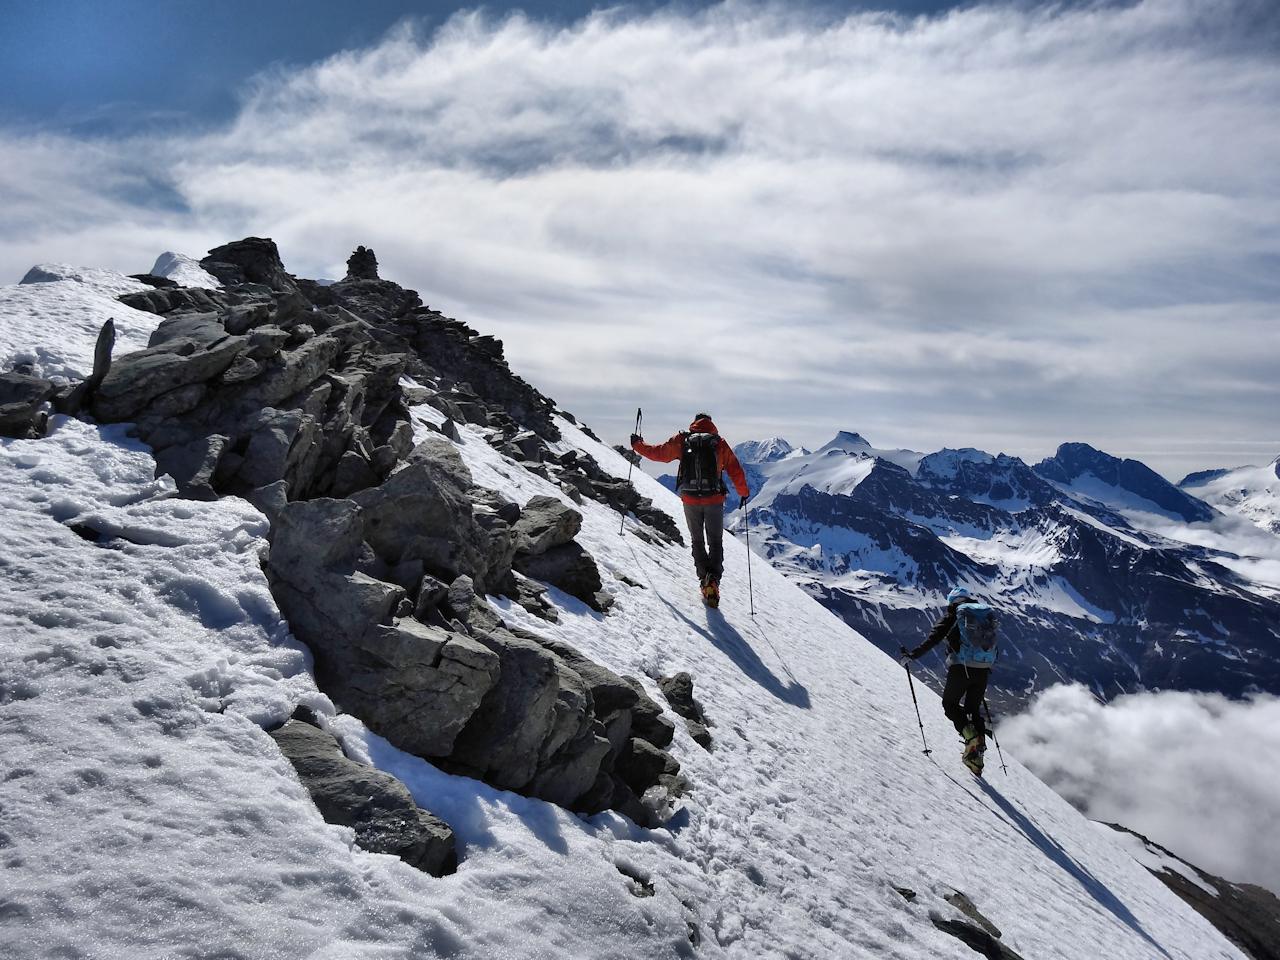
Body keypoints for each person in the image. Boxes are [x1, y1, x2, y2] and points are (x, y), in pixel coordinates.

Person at [631, 413, 750, 607]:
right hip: (714, 499)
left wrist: (638, 445)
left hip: (690, 499)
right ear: (712, 424)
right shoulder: (719, 443)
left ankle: (704, 579)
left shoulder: (682, 440)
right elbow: (735, 469)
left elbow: (658, 453)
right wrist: (744, 492)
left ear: (694, 424)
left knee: (697, 540)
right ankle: (714, 581)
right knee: (715, 541)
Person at [901, 586, 998, 772]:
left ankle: (971, 738)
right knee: (973, 710)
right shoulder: (983, 616)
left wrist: (913, 655)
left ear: (952, 602)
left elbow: (934, 638)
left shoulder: (955, 614)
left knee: (950, 704)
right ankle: (977, 758)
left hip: (961, 669)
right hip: (983, 670)